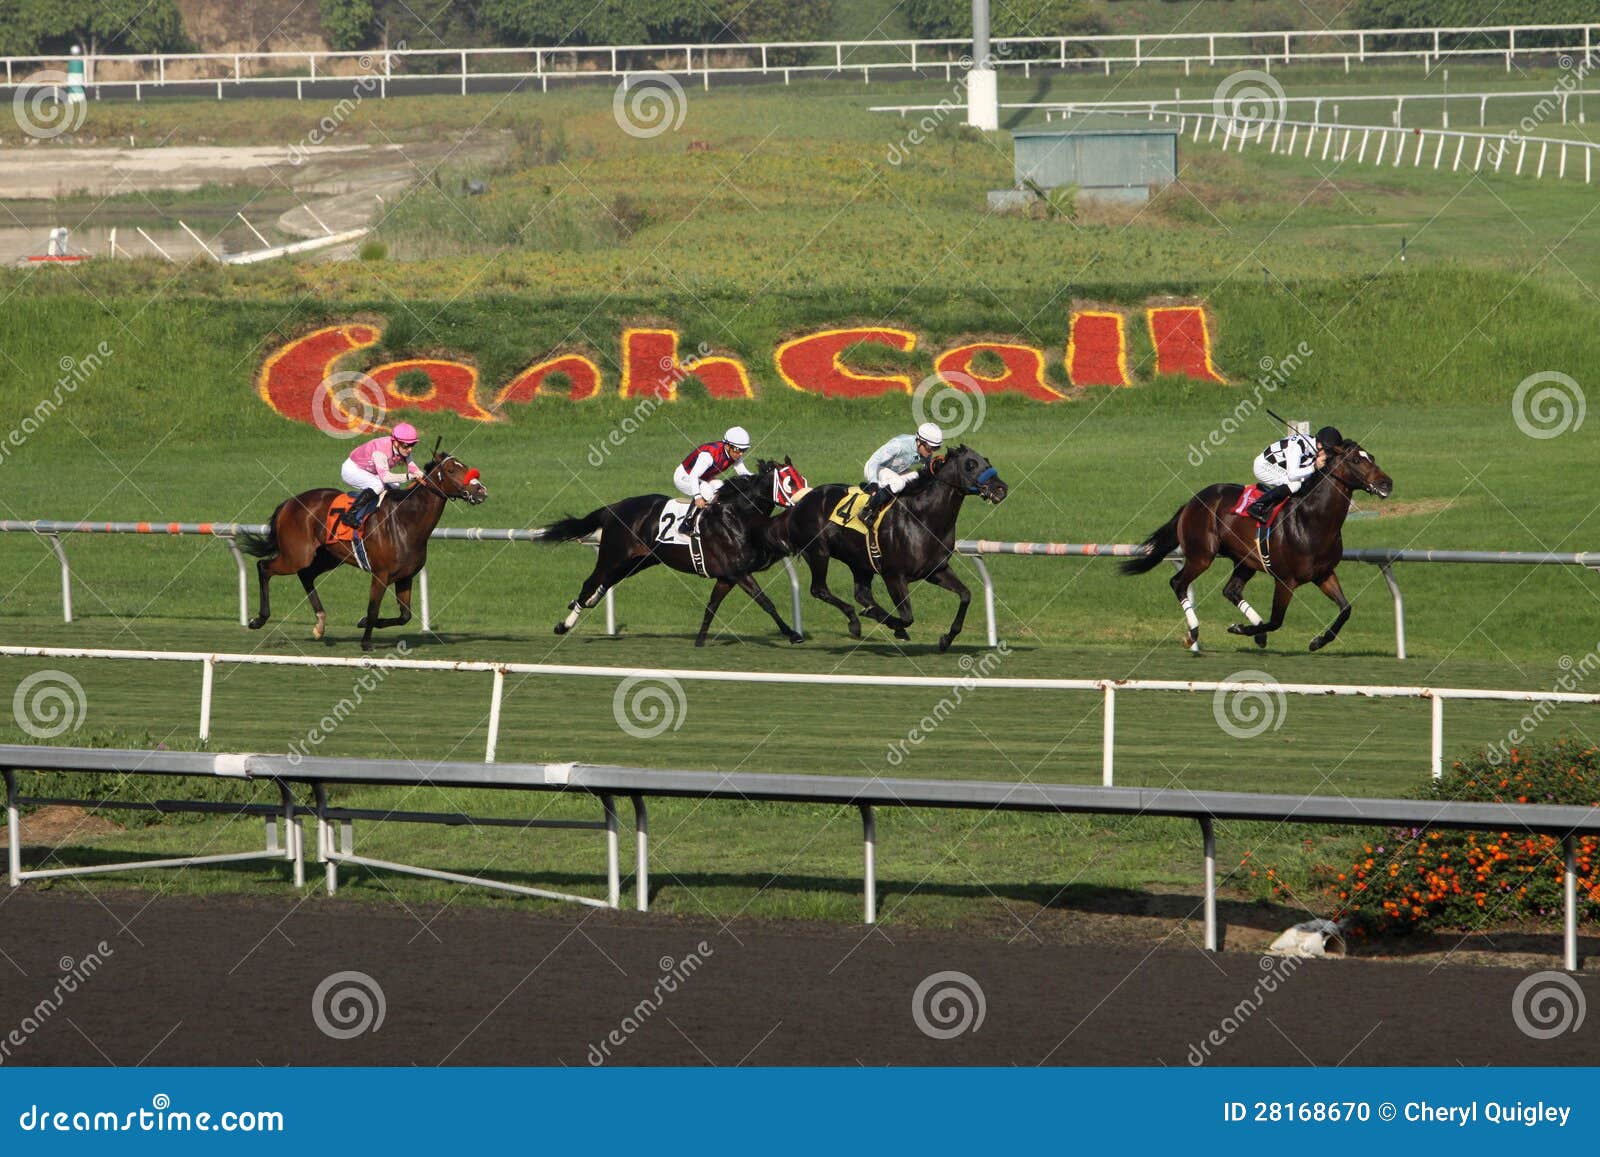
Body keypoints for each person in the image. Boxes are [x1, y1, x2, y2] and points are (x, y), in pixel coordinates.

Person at [1246, 425, 1342, 522]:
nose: (1329, 455)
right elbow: (1292, 474)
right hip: (1265, 466)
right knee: (1295, 484)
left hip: (1280, 466)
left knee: (1306, 479)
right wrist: (1314, 467)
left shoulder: (1312, 444)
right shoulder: (1297, 447)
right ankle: (1257, 505)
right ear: (1320, 445)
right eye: (1329, 451)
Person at [341, 422, 425, 528]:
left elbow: (412, 467)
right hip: (352, 469)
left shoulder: (403, 448)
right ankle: (350, 515)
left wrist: (422, 474)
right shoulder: (380, 451)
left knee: (396, 485)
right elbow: (385, 477)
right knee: (378, 485)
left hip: (370, 471)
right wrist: (409, 476)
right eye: (407, 445)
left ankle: (383, 510)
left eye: (413, 445)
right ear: (396, 443)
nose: (410, 449)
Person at [858, 421, 943, 524]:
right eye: (930, 448)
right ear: (920, 441)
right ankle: (868, 510)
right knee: (898, 483)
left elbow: (927, 471)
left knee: (918, 478)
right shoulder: (899, 445)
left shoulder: (924, 450)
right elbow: (874, 461)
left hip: (894, 471)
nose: (932, 452)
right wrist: (873, 483)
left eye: (936, 448)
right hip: (875, 468)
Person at [674, 426, 752, 533]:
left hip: (702, 478)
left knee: (720, 485)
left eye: (744, 450)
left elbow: (744, 473)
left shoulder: (734, 453)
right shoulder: (709, 455)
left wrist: (762, 479)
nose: (741, 453)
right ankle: (687, 523)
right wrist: (697, 497)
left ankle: (711, 518)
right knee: (706, 489)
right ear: (728, 446)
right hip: (684, 477)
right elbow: (693, 476)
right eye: (738, 450)